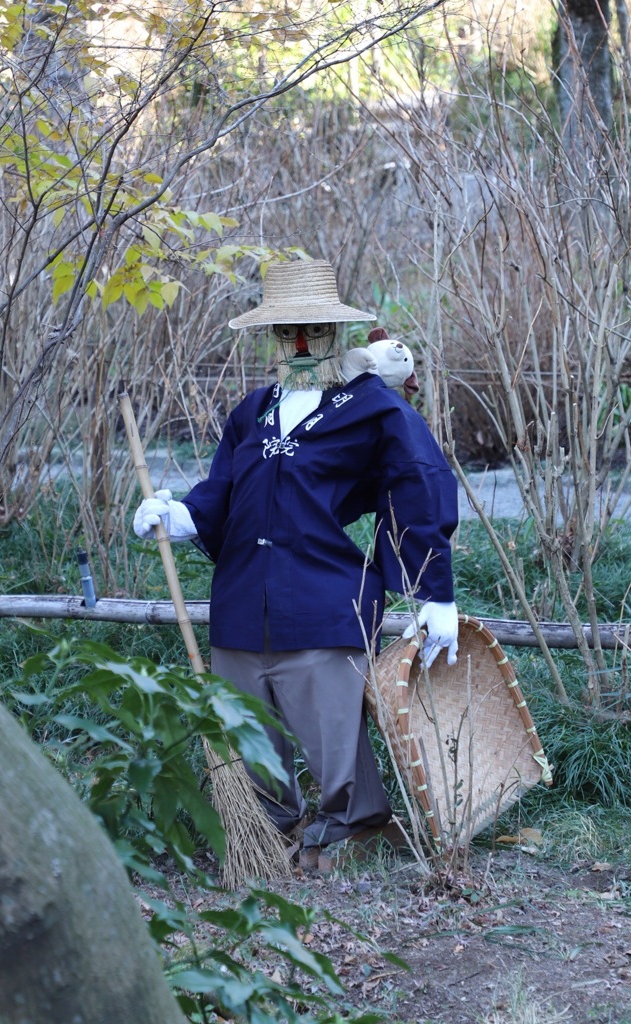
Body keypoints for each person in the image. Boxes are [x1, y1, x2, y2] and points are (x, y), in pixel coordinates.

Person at [133, 258, 459, 866]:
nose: (303, 344)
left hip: (322, 596)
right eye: (289, 333)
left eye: (315, 331)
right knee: (246, 724)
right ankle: (266, 826)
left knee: (329, 726)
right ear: (273, 340)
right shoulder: (252, 411)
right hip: (241, 597)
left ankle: (351, 825)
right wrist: (179, 517)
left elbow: (419, 481)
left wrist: (433, 590)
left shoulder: (370, 409)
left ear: (339, 336)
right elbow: (222, 490)